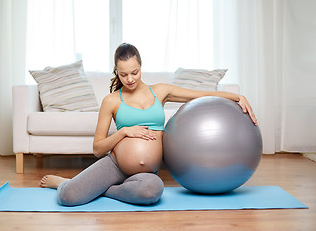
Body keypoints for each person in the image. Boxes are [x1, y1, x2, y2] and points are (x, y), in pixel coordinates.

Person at [39, 43, 257, 206]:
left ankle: (101, 190)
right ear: (116, 71)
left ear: (141, 66)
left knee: (152, 192)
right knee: (68, 197)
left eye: (135, 72)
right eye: (123, 74)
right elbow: (97, 149)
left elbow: (201, 95)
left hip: (148, 173)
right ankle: (63, 183)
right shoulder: (112, 101)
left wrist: (237, 98)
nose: (130, 79)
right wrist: (124, 132)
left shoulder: (160, 91)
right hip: (115, 166)